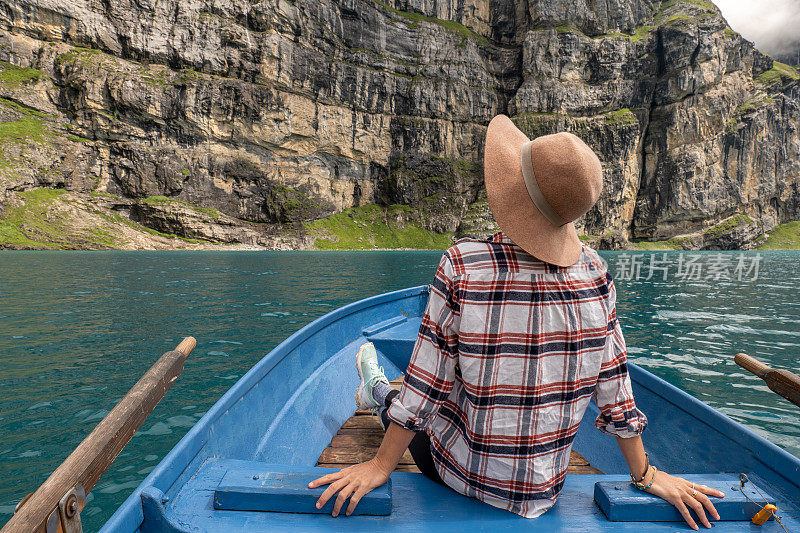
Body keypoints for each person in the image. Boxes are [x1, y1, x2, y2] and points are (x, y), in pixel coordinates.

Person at [308, 115, 724, 529]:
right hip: (546, 489)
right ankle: (376, 390)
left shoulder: (462, 265)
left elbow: (425, 387)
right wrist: (646, 476)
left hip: (460, 475)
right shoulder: (597, 274)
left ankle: (374, 390)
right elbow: (616, 391)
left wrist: (382, 465)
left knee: (415, 398)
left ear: (511, 190)